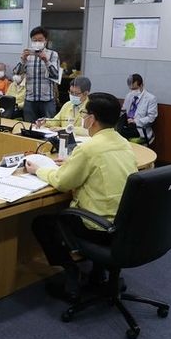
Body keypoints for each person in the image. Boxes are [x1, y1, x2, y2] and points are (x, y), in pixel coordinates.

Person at [27, 92, 137, 302]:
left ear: (92, 119)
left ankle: (71, 274)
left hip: (98, 227)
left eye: (85, 113)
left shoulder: (88, 148)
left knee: (42, 224)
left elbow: (62, 182)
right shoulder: (124, 143)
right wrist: (72, 163)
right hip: (125, 223)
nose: (84, 117)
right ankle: (98, 273)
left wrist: (39, 170)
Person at [15, 26, 61, 122]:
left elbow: (56, 75)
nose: (37, 42)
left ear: (45, 41)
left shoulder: (53, 54)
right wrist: (23, 60)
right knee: (29, 126)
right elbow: (17, 73)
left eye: (40, 40)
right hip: (30, 99)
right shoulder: (28, 55)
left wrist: (46, 61)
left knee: (48, 126)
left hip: (47, 99)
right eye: (34, 40)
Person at [120, 74, 158, 144]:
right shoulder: (129, 96)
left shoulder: (151, 98)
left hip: (140, 129)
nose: (133, 91)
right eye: (131, 89)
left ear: (141, 85)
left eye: (135, 89)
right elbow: (124, 110)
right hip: (127, 127)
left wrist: (135, 121)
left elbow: (151, 117)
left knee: (125, 142)